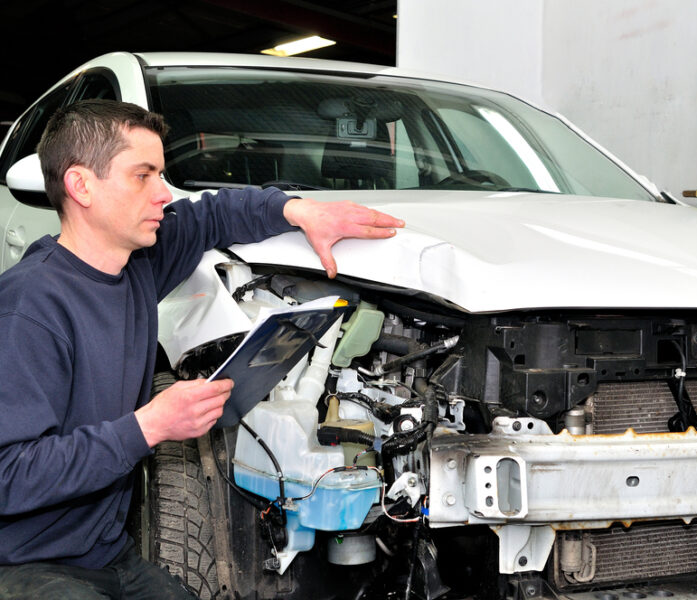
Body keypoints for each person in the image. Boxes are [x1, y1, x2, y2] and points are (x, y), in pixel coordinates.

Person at [0, 99, 404, 599]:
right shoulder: (28, 310)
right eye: (142, 176)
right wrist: (148, 427)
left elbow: (212, 214)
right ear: (81, 185)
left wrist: (299, 210)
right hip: (24, 564)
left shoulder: (136, 266)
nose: (163, 194)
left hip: (106, 554)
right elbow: (7, 476)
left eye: (162, 175)